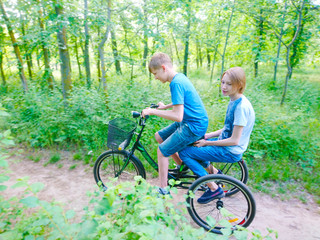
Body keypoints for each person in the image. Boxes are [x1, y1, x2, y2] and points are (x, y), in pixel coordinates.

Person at [179, 66, 255, 204]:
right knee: (195, 143)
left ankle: (213, 188)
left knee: (185, 153)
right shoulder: (234, 100)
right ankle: (214, 173)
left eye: (229, 84)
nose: (224, 87)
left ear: (240, 85)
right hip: (226, 144)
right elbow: (227, 129)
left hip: (230, 150)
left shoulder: (241, 108)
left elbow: (234, 140)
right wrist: (206, 136)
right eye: (223, 82)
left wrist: (207, 143)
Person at [142, 52, 208, 195]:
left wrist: (152, 112)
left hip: (193, 126)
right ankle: (182, 167)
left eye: (155, 73)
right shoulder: (180, 78)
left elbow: (178, 116)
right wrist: (165, 107)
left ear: (163, 68)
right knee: (159, 137)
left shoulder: (175, 83)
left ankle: (163, 189)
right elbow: (182, 102)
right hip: (191, 121)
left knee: (162, 151)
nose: (155, 77)